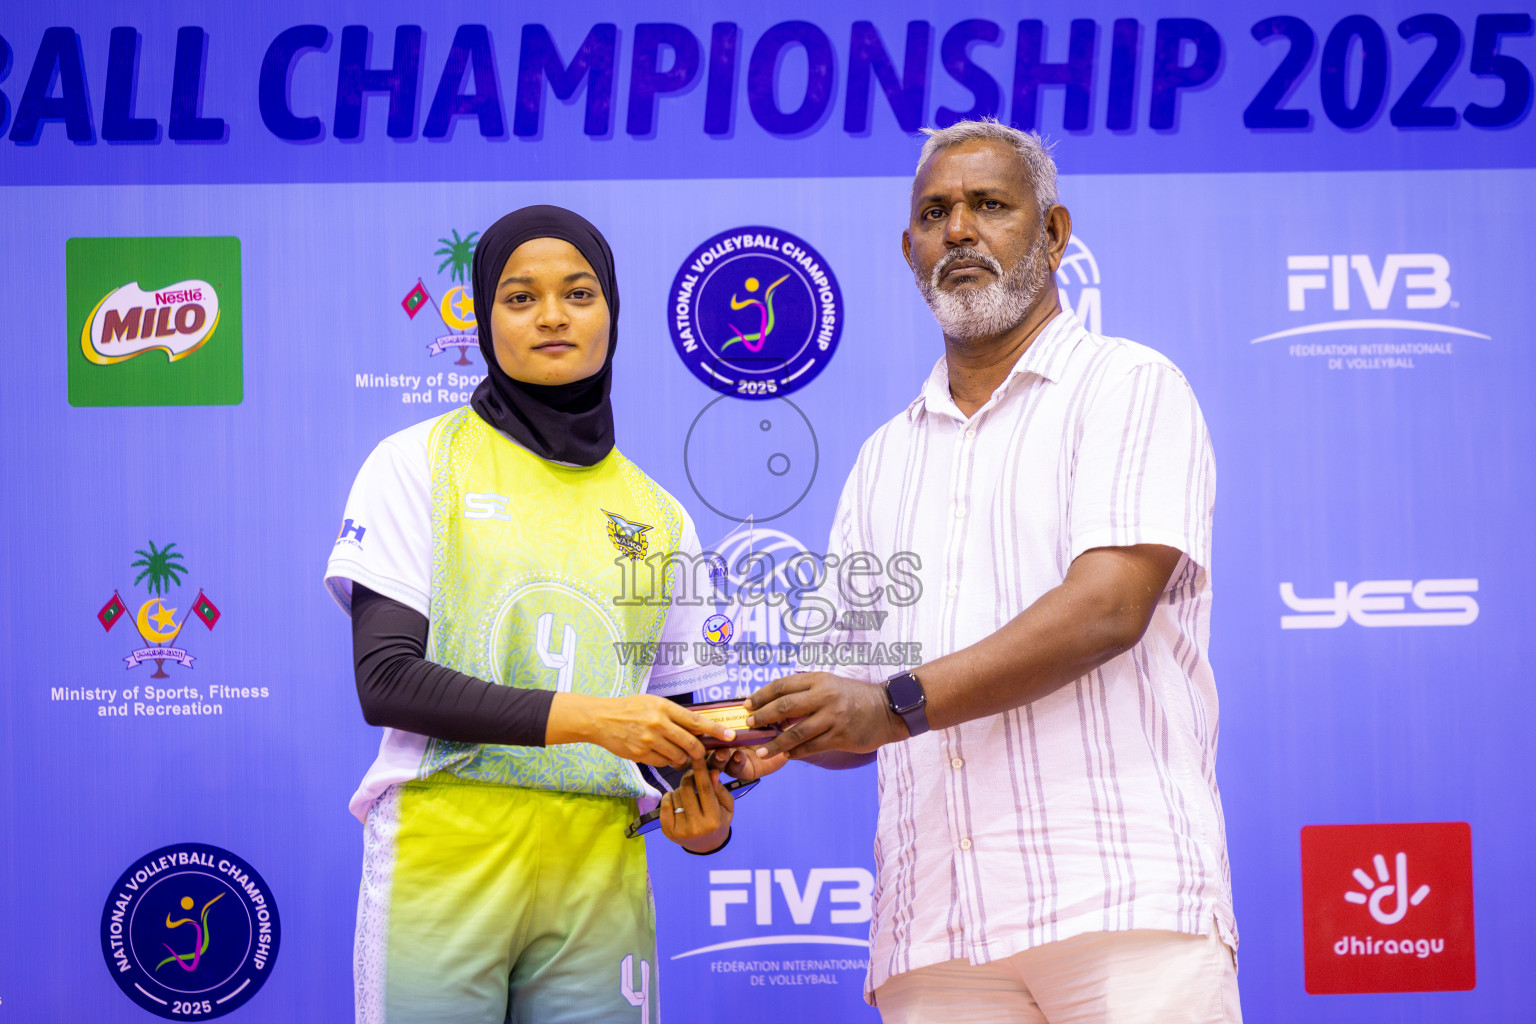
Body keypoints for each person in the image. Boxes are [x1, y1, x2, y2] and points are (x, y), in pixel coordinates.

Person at [727, 120, 1240, 1023]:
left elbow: (1105, 611)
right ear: (909, 249)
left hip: (1117, 907)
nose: (959, 229)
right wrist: (764, 734)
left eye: (989, 206)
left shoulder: (1129, 385)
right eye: (935, 213)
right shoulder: (882, 458)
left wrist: (887, 705)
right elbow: (855, 710)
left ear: (1053, 233)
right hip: (935, 935)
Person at [325, 205, 737, 1024]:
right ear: (483, 320)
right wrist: (595, 721)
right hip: (445, 856)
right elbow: (387, 679)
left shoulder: (661, 515)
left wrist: (707, 808)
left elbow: (677, 730)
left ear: (611, 312)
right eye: (520, 298)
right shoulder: (418, 463)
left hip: (601, 864)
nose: (553, 315)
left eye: (579, 293)